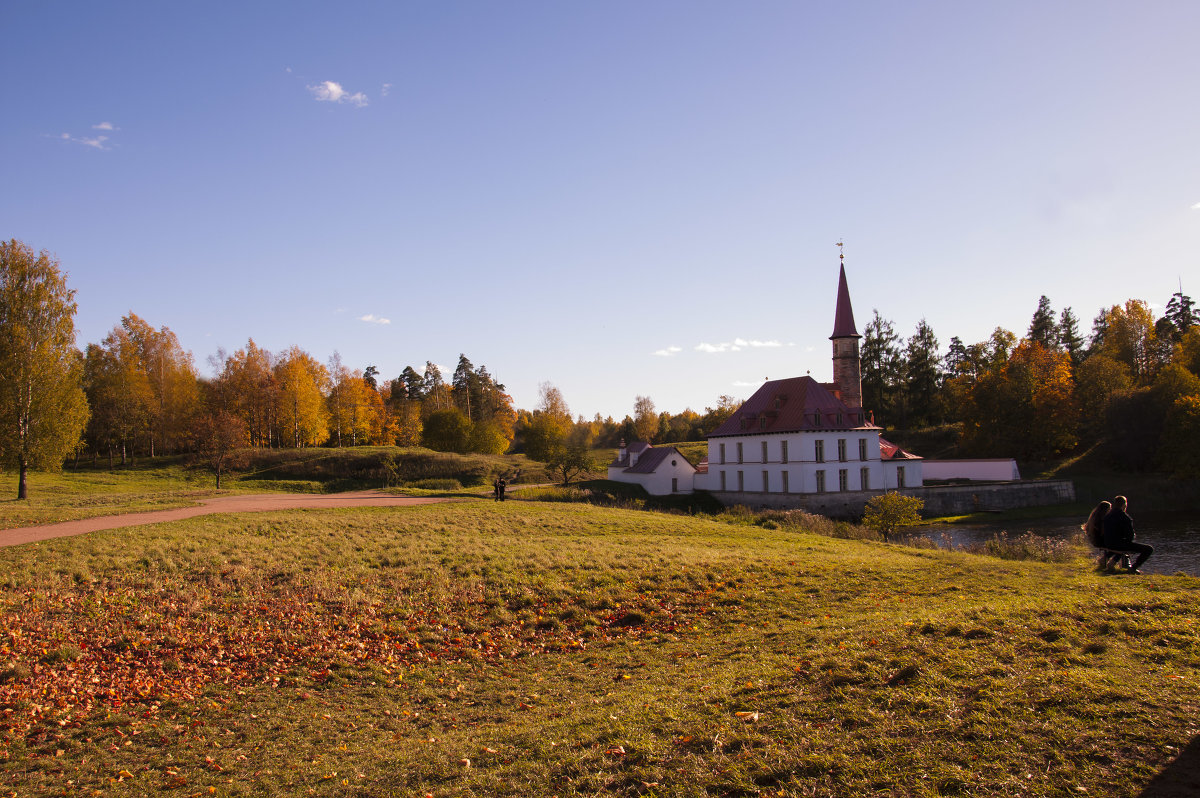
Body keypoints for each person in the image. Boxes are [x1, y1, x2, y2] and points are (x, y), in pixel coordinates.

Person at [1102, 495, 1153, 573]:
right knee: (1149, 549)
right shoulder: (1125, 518)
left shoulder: (1107, 516)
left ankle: (1110, 562)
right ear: (1124, 505)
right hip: (1118, 545)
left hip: (1107, 543)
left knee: (1121, 543)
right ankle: (1133, 568)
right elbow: (1130, 537)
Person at [1082, 500, 1122, 570]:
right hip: (1101, 542)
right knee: (1122, 548)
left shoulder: (1094, 518)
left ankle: (1103, 560)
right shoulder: (1103, 520)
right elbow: (1105, 533)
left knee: (1117, 546)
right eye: (1109, 508)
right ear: (1106, 509)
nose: (1110, 510)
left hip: (1095, 541)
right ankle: (1111, 564)